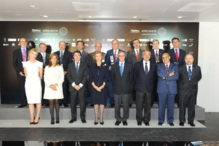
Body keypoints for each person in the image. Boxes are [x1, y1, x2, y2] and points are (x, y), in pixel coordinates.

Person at [134, 50, 157, 126]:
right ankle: (139, 120)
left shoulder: (154, 65)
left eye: (148, 55)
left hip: (149, 88)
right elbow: (134, 76)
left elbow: (155, 77)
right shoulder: (137, 65)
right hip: (139, 88)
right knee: (139, 105)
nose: (147, 56)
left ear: (150, 56)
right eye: (145, 54)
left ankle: (146, 120)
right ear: (142, 56)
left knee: (148, 105)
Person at [178, 54, 202, 127]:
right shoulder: (180, 68)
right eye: (187, 58)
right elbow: (178, 79)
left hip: (193, 90)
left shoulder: (197, 68)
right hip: (183, 90)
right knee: (182, 106)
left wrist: (192, 83)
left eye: (190, 58)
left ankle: (191, 121)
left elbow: (199, 77)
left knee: (192, 106)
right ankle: (182, 121)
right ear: (184, 59)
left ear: (193, 59)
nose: (188, 60)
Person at [111, 51, 133, 126]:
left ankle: (124, 119)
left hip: (126, 89)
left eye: (123, 55)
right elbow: (112, 78)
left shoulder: (129, 66)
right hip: (116, 89)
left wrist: (128, 87)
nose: (121, 57)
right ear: (118, 57)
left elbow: (131, 78)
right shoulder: (114, 66)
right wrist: (116, 85)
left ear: (125, 56)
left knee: (126, 105)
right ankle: (118, 119)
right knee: (117, 105)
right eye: (120, 55)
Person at [157, 53, 179, 126]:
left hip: (172, 89)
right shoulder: (159, 66)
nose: (164, 59)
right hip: (161, 89)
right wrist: (169, 74)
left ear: (169, 57)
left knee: (171, 106)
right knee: (161, 106)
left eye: (166, 57)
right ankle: (161, 120)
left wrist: (165, 77)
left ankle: (170, 121)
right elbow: (160, 74)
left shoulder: (175, 66)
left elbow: (176, 76)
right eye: (163, 58)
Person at [67, 51, 88, 124]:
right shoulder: (70, 65)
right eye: (75, 55)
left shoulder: (84, 65)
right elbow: (68, 76)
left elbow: (85, 76)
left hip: (81, 87)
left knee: (82, 103)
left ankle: (83, 118)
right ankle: (73, 117)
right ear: (73, 56)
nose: (77, 57)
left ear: (81, 56)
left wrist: (80, 85)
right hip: (73, 87)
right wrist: (74, 85)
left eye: (78, 55)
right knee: (73, 103)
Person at [23, 48, 43, 124]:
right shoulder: (25, 63)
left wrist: (36, 80)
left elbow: (41, 76)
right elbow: (26, 75)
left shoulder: (39, 63)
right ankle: (31, 117)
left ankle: (37, 117)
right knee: (30, 102)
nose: (34, 56)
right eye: (32, 54)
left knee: (38, 101)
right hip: (28, 84)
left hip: (37, 83)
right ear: (29, 54)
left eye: (35, 54)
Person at [44, 53, 64, 125]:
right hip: (49, 87)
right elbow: (45, 78)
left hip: (57, 87)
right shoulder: (47, 67)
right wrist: (51, 85)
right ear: (50, 59)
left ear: (57, 59)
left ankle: (57, 117)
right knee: (51, 102)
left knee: (56, 102)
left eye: (55, 58)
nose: (54, 59)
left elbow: (62, 78)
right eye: (53, 58)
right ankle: (52, 118)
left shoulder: (60, 67)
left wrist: (56, 85)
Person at [89, 51, 109, 125]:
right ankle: (96, 117)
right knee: (96, 103)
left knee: (102, 103)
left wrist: (102, 86)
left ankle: (101, 117)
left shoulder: (105, 66)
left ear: (102, 57)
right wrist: (95, 87)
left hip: (103, 87)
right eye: (97, 56)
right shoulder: (92, 66)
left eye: (99, 56)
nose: (98, 57)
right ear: (95, 57)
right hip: (94, 87)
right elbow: (90, 77)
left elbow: (106, 77)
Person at [105, 39, 124, 107]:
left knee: (120, 89)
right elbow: (106, 63)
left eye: (116, 44)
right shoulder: (109, 52)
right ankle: (112, 102)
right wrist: (109, 67)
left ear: (118, 44)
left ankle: (120, 102)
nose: (114, 45)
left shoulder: (122, 52)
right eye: (113, 44)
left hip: (120, 75)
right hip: (111, 75)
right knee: (111, 89)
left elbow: (125, 63)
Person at [12, 38, 30, 108]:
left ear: (26, 42)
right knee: (22, 88)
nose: (23, 43)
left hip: (30, 73)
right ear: (19, 43)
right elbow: (14, 63)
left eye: (24, 41)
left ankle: (30, 102)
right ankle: (23, 103)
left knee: (30, 88)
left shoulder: (30, 51)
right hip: (21, 73)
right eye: (21, 42)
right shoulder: (15, 52)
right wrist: (19, 71)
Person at [55, 41, 73, 107]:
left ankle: (65, 101)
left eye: (63, 45)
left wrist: (66, 71)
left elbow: (71, 64)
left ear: (65, 46)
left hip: (66, 73)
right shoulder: (55, 53)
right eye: (61, 45)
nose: (62, 46)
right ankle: (59, 101)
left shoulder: (69, 54)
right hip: (57, 74)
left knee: (65, 87)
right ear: (59, 45)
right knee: (58, 87)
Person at [150, 40, 165, 106]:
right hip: (152, 73)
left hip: (161, 72)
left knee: (160, 88)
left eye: (157, 43)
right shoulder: (150, 52)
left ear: (159, 44)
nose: (155, 45)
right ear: (152, 45)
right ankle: (152, 102)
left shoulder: (163, 51)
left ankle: (160, 102)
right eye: (154, 44)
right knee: (152, 88)